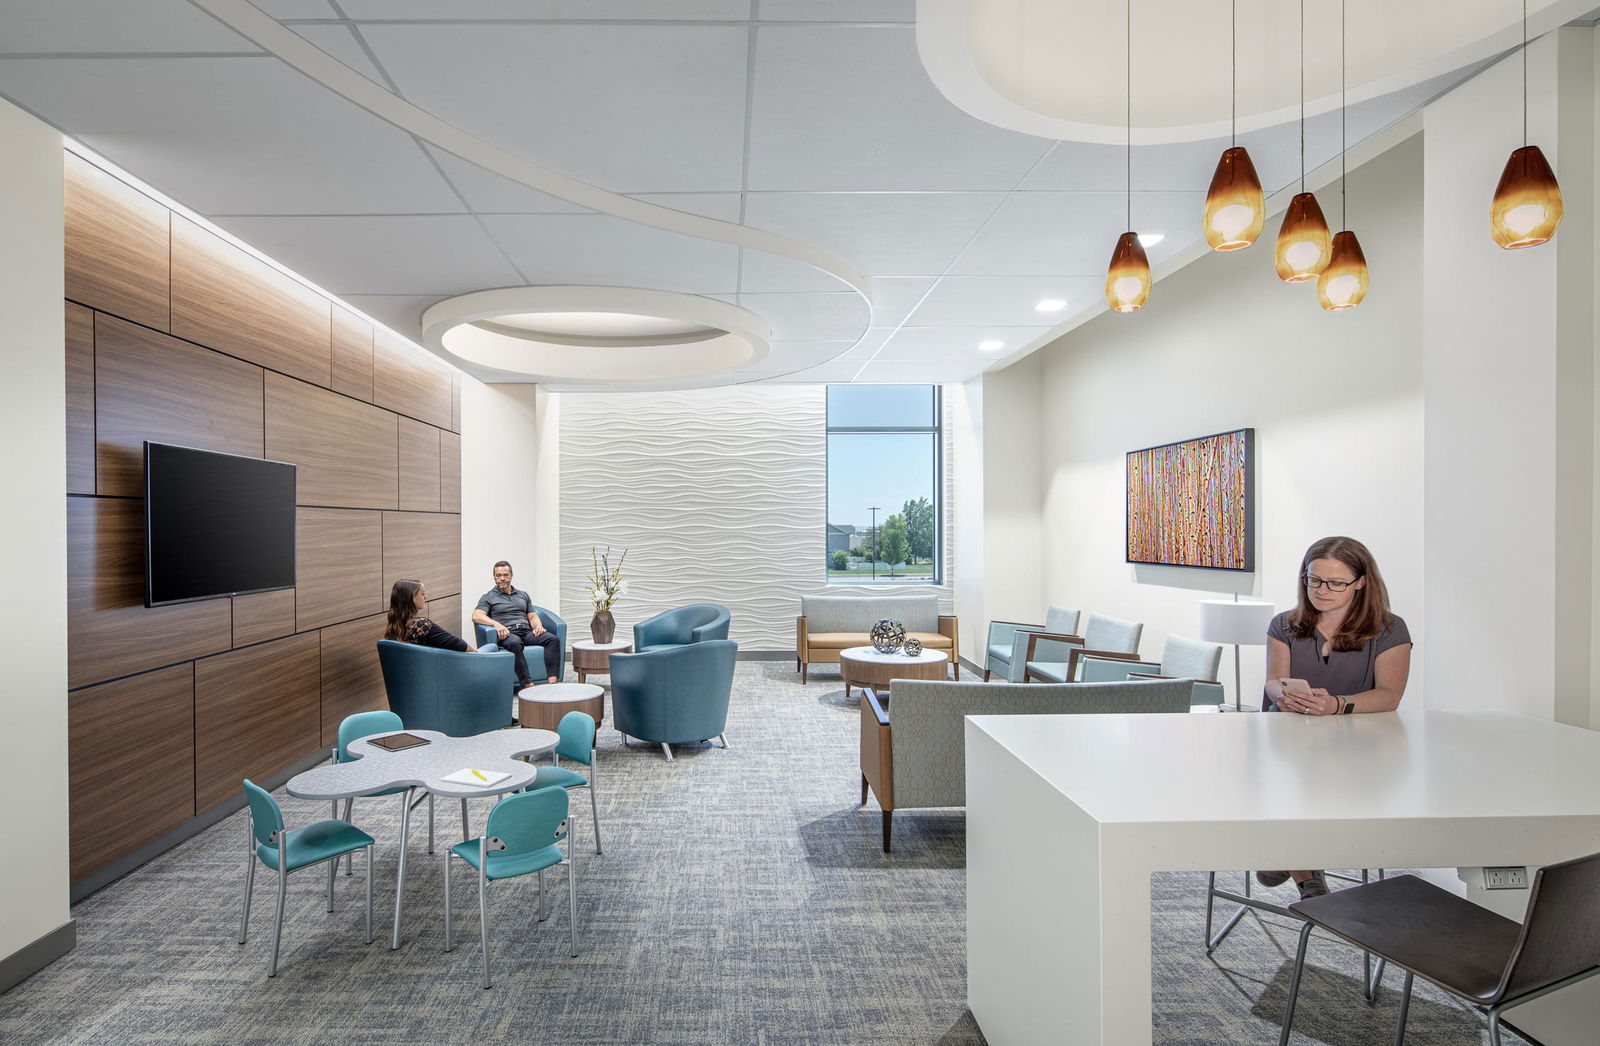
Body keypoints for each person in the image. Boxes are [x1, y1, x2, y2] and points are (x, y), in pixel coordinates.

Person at [1258, 535, 1413, 899]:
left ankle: (1287, 857)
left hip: (1355, 742)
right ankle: (1306, 877)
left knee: (1317, 789)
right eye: (1313, 580)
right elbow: (1271, 682)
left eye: (1335, 583)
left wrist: (1337, 705)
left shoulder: (1390, 630)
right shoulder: (1284, 624)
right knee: (1290, 785)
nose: (1321, 590)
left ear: (1361, 583)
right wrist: (1285, 694)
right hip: (1288, 737)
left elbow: (1389, 696)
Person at [471, 560, 560, 691]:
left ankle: (552, 682)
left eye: (505, 575)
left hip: (527, 631)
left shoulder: (523, 595)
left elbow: (532, 616)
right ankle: (527, 684)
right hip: (508, 633)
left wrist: (538, 626)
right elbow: (476, 615)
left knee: (552, 640)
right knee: (515, 643)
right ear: (494, 577)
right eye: (499, 575)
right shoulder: (488, 597)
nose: (502, 578)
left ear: (511, 576)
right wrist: (496, 624)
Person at [384, 578, 471, 651]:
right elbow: (459, 645)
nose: (425, 597)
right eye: (422, 594)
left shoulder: (394, 625)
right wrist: (476, 653)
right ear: (411, 598)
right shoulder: (421, 625)